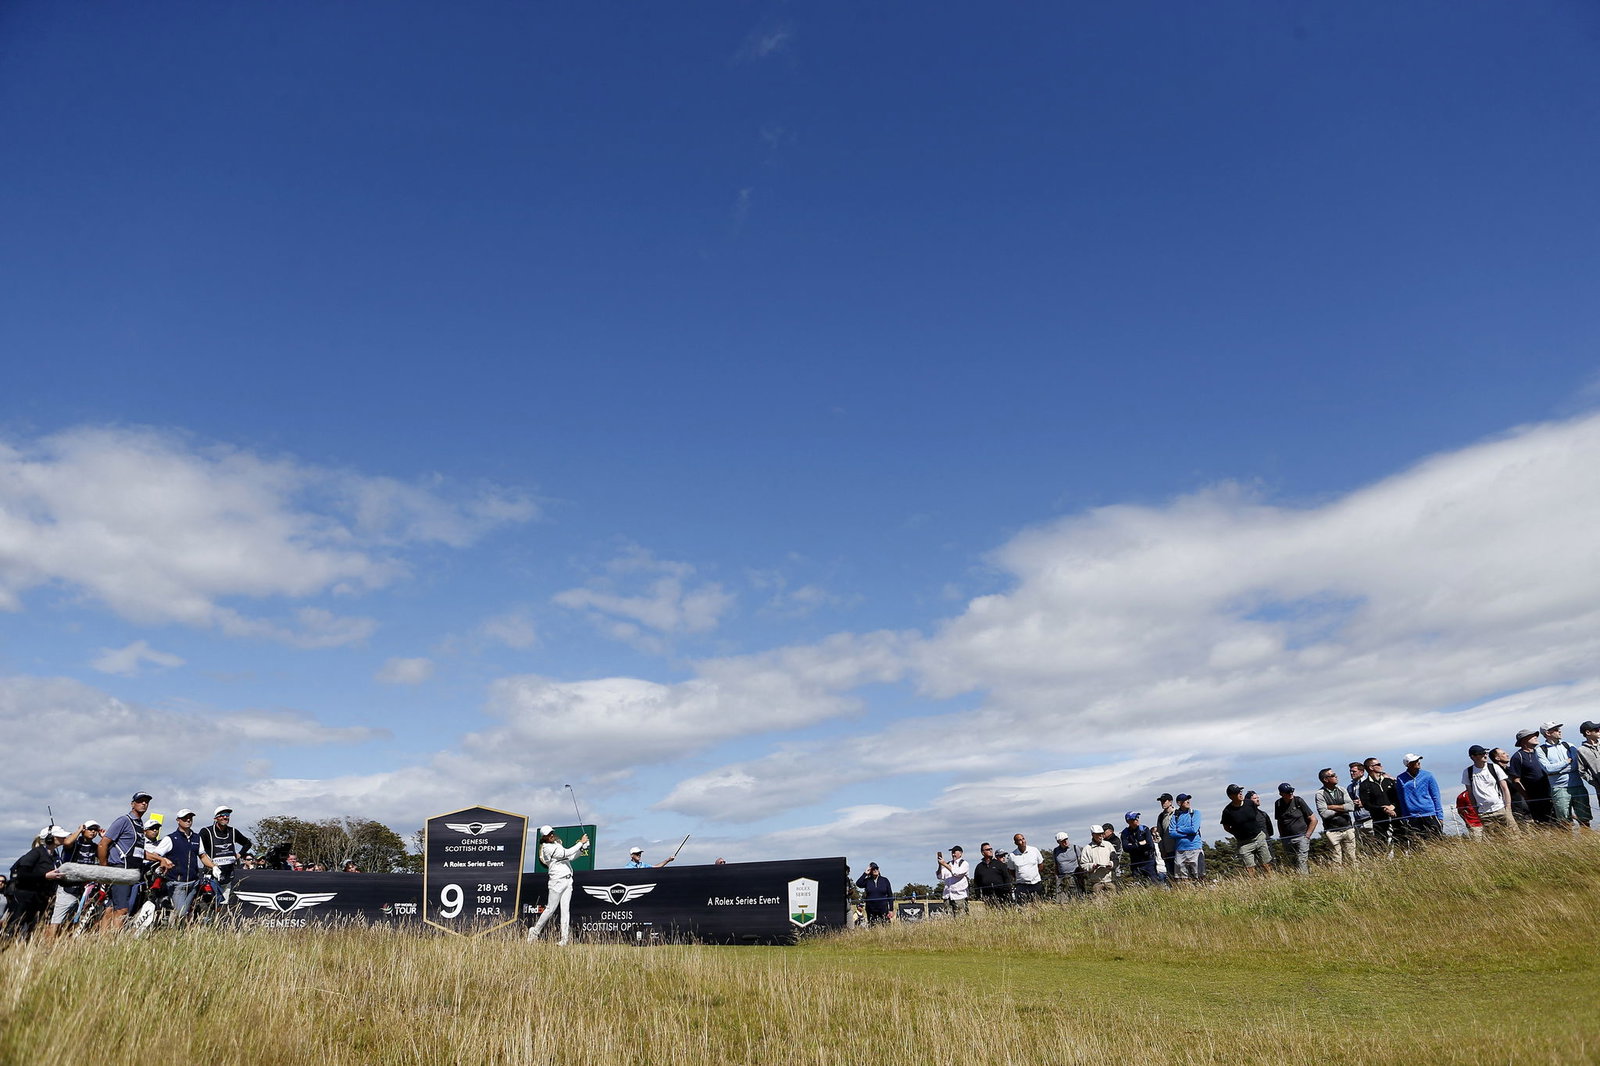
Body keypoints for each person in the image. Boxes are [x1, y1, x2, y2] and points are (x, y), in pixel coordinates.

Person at [98, 791, 153, 930]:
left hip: (131, 871)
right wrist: (104, 866)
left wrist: (161, 858)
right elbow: (103, 844)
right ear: (132, 804)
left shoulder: (140, 824)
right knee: (122, 910)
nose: (144, 803)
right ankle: (116, 942)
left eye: (146, 801)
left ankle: (103, 940)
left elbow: (139, 852)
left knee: (111, 907)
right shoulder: (124, 820)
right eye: (140, 801)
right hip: (120, 869)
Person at [527, 824, 590, 945]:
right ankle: (534, 932)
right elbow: (565, 853)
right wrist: (581, 843)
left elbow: (571, 857)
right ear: (544, 837)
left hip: (568, 879)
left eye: (552, 833)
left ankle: (564, 939)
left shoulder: (556, 844)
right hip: (557, 881)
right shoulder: (546, 848)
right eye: (548, 834)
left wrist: (582, 849)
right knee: (550, 909)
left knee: (565, 910)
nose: (551, 835)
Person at [6, 827, 68, 938]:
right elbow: (21, 873)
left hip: (40, 898)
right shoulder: (36, 852)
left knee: (31, 928)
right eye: (60, 836)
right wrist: (44, 876)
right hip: (25, 897)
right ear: (50, 838)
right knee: (15, 926)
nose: (64, 837)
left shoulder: (54, 856)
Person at [150, 809, 207, 919]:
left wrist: (214, 867)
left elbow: (202, 856)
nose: (188, 820)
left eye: (190, 817)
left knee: (186, 912)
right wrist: (164, 860)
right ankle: (172, 930)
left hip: (193, 882)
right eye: (185, 818)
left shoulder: (196, 838)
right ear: (178, 820)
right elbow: (155, 854)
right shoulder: (170, 838)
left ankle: (179, 931)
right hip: (177, 882)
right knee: (181, 913)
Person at [1537, 723, 1591, 829]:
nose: (1560, 731)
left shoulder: (1569, 745)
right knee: (1564, 820)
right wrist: (1567, 761)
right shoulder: (1541, 750)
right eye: (1556, 729)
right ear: (1547, 733)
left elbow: (1576, 765)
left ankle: (1588, 839)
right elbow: (1548, 769)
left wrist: (1558, 770)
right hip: (1559, 788)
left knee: (1585, 818)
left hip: (1577, 785)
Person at [198, 806, 253, 903]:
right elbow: (198, 848)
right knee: (211, 904)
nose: (225, 817)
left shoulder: (232, 831)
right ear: (216, 818)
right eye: (222, 815)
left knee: (223, 905)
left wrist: (239, 854)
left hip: (228, 875)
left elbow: (247, 843)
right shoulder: (206, 832)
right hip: (211, 875)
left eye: (227, 815)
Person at [1460, 744, 1517, 835]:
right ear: (1473, 757)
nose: (1485, 755)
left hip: (1501, 808)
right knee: (1494, 840)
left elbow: (1505, 788)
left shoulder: (1494, 767)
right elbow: (1470, 793)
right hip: (1484, 813)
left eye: (1485, 753)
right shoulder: (1468, 772)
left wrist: (1508, 808)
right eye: (1481, 754)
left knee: (1514, 837)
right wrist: (1476, 810)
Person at [1219, 784, 1273, 876]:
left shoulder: (1250, 803)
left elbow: (1255, 816)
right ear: (1231, 796)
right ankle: (1253, 885)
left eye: (1240, 792)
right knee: (1250, 868)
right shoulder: (1227, 811)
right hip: (1244, 843)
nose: (1240, 794)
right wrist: (1238, 833)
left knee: (1266, 864)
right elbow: (1226, 827)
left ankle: (1271, 879)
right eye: (1237, 793)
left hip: (1259, 837)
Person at [1507, 729, 1555, 825]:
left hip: (1551, 793)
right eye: (1532, 736)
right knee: (1543, 824)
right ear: (1523, 740)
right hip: (1535, 798)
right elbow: (1516, 780)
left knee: (1558, 822)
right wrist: (1527, 797)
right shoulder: (1518, 757)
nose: (1536, 737)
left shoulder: (1540, 752)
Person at [1314, 768, 1359, 867]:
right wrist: (1342, 808)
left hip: (1348, 828)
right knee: (1336, 860)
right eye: (1333, 775)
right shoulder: (1319, 794)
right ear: (1326, 779)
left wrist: (1332, 807)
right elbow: (1324, 813)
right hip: (1332, 831)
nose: (1336, 776)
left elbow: (1351, 806)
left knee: (1352, 858)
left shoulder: (1342, 789)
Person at [1395, 754, 1444, 842]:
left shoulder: (1428, 775)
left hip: (1429, 814)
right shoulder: (1400, 778)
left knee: (1436, 842)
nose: (1418, 762)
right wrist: (1405, 817)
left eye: (1418, 760)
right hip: (1412, 817)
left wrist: (1439, 816)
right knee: (1417, 844)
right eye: (1414, 761)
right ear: (1408, 764)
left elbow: (1435, 796)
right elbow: (1401, 799)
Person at [1359, 759, 1404, 853]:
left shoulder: (1389, 782)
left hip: (1397, 818)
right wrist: (1383, 809)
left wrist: (1393, 806)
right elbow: (1367, 804)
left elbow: (1398, 798)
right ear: (1371, 767)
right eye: (1378, 764)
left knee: (1401, 843)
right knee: (1382, 846)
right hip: (1379, 821)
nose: (1381, 766)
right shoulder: (1364, 785)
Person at [1273, 783, 1318, 874]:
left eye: (1291, 791)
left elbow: (1313, 819)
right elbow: (1279, 821)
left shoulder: (1298, 801)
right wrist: (1282, 837)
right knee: (1291, 862)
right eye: (1287, 792)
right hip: (1287, 839)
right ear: (1281, 793)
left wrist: (1307, 836)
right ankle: (1295, 879)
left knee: (1302, 860)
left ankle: (1304, 879)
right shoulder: (1278, 804)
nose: (1290, 793)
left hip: (1301, 837)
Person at [1120, 812, 1164, 885]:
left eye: (1137, 818)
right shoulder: (1125, 833)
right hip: (1135, 862)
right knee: (1138, 884)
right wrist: (1139, 844)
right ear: (1128, 821)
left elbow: (1150, 845)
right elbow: (1126, 848)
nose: (1137, 820)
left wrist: (1133, 846)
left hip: (1148, 861)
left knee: (1155, 883)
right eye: (1134, 819)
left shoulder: (1144, 829)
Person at [1169, 794, 1204, 883]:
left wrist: (1179, 829)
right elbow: (1172, 833)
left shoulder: (1195, 813)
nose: (1188, 801)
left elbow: (1194, 829)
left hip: (1195, 848)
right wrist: (1187, 834)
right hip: (1180, 850)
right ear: (1179, 803)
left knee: (1199, 876)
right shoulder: (1175, 816)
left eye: (1188, 799)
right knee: (1182, 878)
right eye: (1185, 800)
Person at [1492, 746, 1532, 822]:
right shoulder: (1495, 773)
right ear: (1497, 758)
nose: (1507, 755)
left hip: (1523, 803)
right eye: (1503, 753)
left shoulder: (1511, 770)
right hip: (1513, 806)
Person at [1009, 833, 1045, 903]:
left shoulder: (1034, 850)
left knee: (1038, 905)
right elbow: (1011, 871)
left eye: (1023, 839)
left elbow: (1041, 865)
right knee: (1022, 906)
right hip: (1021, 886)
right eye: (1019, 840)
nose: (1023, 841)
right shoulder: (1012, 856)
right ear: (1015, 843)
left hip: (1036, 883)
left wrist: (1034, 874)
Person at [1080, 826, 1116, 894]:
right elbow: (1083, 864)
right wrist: (1092, 866)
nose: (1100, 836)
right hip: (1096, 883)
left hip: (1109, 880)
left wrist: (1111, 864)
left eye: (1101, 834)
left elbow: (1115, 859)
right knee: (1099, 902)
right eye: (1098, 834)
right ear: (1093, 835)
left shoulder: (1108, 845)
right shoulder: (1087, 848)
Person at [936, 846, 969, 916]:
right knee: (949, 919)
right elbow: (940, 876)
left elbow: (957, 873)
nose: (953, 854)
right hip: (948, 896)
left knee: (961, 919)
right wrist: (940, 865)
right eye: (952, 853)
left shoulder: (964, 863)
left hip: (959, 897)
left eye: (954, 852)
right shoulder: (949, 864)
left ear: (960, 853)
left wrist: (944, 864)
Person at [1153, 794, 1180, 880]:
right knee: (1171, 874)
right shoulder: (1161, 816)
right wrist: (1162, 850)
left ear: (1171, 802)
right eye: (1161, 801)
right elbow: (1160, 834)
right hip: (1167, 850)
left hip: (1179, 849)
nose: (1162, 803)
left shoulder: (1178, 813)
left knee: (1182, 874)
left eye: (1164, 801)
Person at [1576, 722, 1600, 816]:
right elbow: (1582, 771)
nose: (1599, 731)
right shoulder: (1581, 750)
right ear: (1588, 732)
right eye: (1596, 730)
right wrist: (1595, 783)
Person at [1051, 832, 1082, 900]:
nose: (1065, 842)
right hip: (1061, 877)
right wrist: (1056, 877)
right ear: (1058, 842)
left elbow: (1081, 862)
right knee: (1061, 898)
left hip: (1074, 876)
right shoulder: (1056, 851)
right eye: (1063, 840)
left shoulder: (1075, 848)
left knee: (1076, 897)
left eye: (1066, 839)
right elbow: (1055, 865)